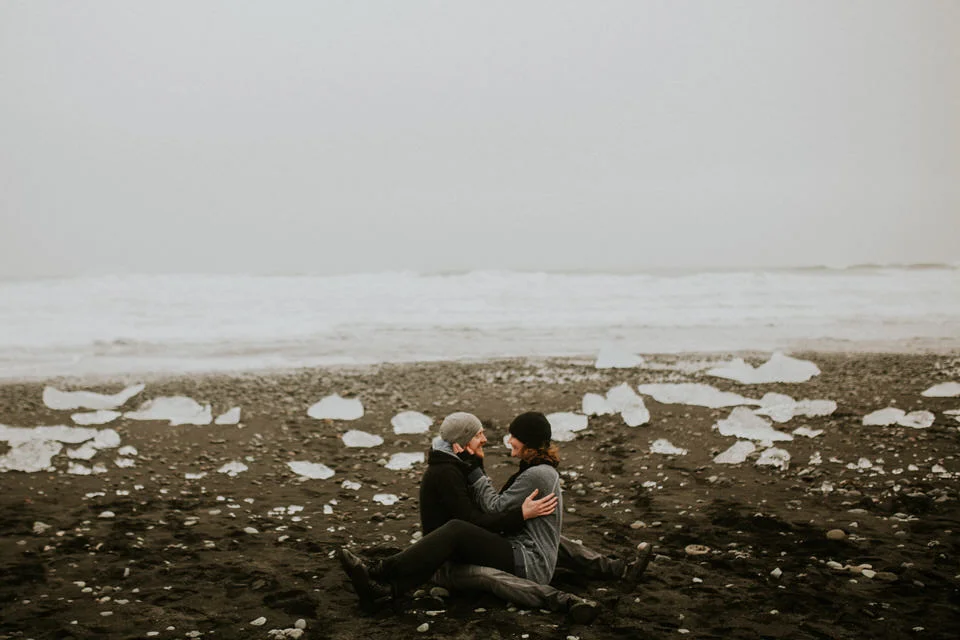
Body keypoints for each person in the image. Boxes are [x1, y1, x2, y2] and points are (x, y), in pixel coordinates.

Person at [424, 412, 651, 602]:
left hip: (531, 563)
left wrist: (475, 471)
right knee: (553, 539)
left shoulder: (536, 475)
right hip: (529, 553)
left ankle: (613, 572)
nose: (508, 440)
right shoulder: (542, 469)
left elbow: (494, 507)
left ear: (528, 443)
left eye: (514, 436)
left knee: (547, 542)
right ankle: (617, 570)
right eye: (479, 435)